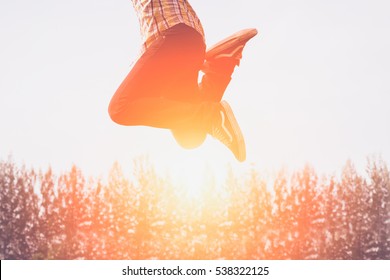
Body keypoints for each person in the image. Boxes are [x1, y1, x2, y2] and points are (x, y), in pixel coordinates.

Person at [108, 0, 255, 162]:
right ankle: (221, 65)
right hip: (190, 40)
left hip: (171, 40)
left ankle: (213, 113)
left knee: (120, 108)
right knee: (190, 135)